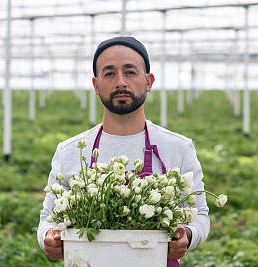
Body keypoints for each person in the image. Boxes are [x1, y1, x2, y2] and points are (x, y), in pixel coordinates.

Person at [37, 36, 210, 266]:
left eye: (130, 72)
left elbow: (200, 215)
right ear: (96, 85)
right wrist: (49, 237)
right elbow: (48, 218)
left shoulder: (178, 148)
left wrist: (186, 236)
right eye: (109, 73)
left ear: (148, 81)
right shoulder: (71, 151)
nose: (120, 82)